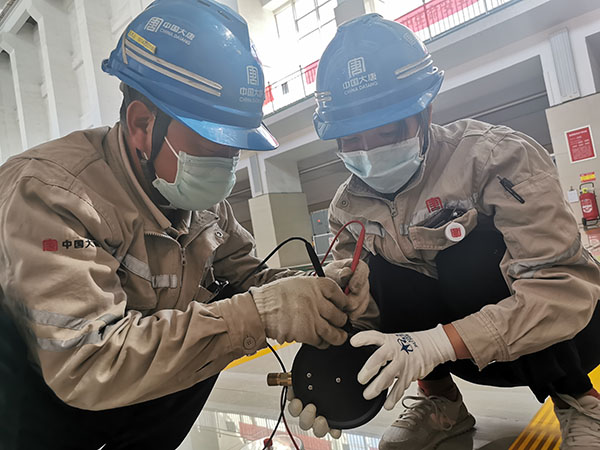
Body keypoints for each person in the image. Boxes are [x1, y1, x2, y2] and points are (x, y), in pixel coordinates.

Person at [0, 1, 371, 449]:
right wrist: (258, 314)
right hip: (35, 401)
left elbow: (251, 281)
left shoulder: (204, 207)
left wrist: (315, 287)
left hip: (119, 397)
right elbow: (87, 362)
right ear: (142, 124)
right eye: (215, 145)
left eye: (235, 149)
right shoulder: (52, 195)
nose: (227, 165)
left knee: (222, 323)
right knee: (232, 323)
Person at [288, 13, 600, 450]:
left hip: (561, 337)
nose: (369, 152)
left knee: (467, 257)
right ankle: (442, 403)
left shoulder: (496, 157)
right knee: (377, 275)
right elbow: (364, 315)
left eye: (386, 132)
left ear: (426, 112)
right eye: (351, 140)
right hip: (458, 356)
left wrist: (436, 343)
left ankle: (578, 400)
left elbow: (560, 288)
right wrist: (325, 368)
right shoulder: (348, 207)